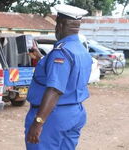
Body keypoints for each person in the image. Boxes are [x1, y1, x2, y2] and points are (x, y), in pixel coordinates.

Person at [24, 4, 92, 150]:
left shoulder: (60, 53)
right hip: (75, 112)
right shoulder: (81, 50)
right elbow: (64, 73)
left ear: (60, 25)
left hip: (53, 117)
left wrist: (38, 122)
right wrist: (40, 56)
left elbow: (55, 90)